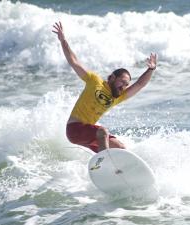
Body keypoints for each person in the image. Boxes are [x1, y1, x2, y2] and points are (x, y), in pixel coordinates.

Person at [52, 20, 157, 153]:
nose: (123, 87)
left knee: (120, 149)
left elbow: (140, 84)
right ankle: (104, 161)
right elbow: (74, 62)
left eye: (126, 85)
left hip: (88, 132)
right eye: (122, 82)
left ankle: (113, 171)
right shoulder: (94, 81)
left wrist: (151, 70)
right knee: (103, 131)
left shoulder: (118, 97)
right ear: (112, 78)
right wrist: (63, 41)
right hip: (75, 129)